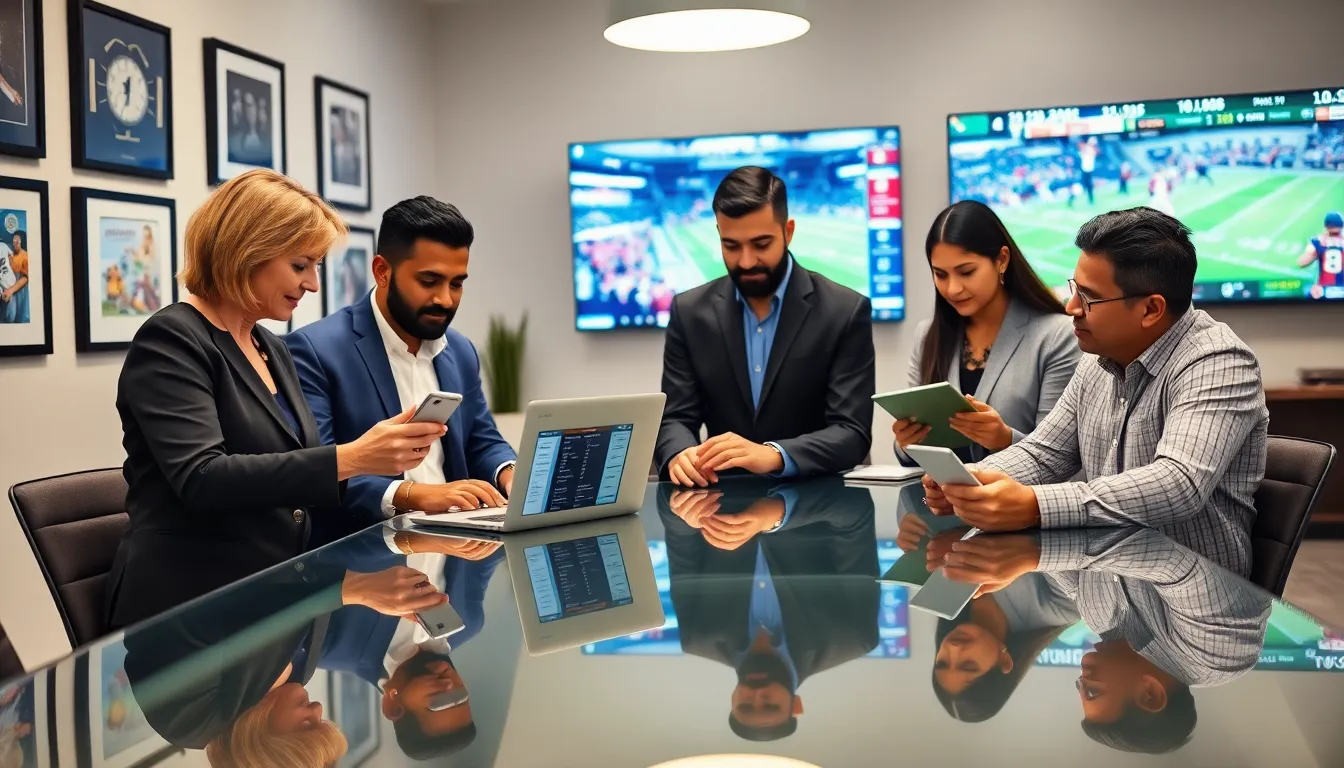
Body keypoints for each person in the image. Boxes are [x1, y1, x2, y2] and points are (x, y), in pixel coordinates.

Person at [107, 169, 447, 630]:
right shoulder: (172, 339)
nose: (312, 285)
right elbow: (203, 478)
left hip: (275, 597)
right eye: (300, 265)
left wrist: (387, 476)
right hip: (190, 613)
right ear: (248, 252)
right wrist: (352, 457)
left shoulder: (271, 347)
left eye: (316, 267)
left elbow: (292, 475)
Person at [925, 208, 1269, 565]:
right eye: (1074, 289)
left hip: (1192, 600)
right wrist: (974, 481)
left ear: (1151, 309)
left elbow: (1177, 484)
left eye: (1088, 298)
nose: (1071, 307)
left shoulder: (1219, 361)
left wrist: (1034, 506)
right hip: (1105, 584)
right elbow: (1045, 453)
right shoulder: (1096, 359)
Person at [287, 196, 516, 541]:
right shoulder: (314, 351)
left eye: (457, 283)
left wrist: (511, 474)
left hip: (458, 557)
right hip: (364, 569)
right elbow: (316, 470)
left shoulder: (462, 350)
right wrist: (416, 495)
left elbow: (482, 442)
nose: (445, 299)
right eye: (429, 281)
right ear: (382, 271)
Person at [656, 166, 876, 486]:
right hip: (720, 510)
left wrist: (773, 455)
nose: (746, 261)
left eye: (761, 244)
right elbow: (675, 418)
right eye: (731, 246)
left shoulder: (845, 310)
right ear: (718, 233)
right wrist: (680, 453)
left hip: (816, 512)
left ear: (788, 231)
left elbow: (851, 432)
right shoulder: (689, 312)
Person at [659, 477, 879, 741]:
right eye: (770, 705)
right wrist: (779, 513)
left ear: (732, 699)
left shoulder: (698, 637)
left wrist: (680, 509)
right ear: (795, 705)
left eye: (746, 705)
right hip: (809, 472)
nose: (757, 695)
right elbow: (855, 511)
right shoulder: (851, 638)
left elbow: (680, 540)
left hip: (717, 476)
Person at [893, 201, 1079, 466]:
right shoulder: (928, 336)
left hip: (1015, 504)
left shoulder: (1056, 337)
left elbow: (1062, 457)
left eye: (966, 272)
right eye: (940, 274)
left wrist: (1005, 439)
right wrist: (906, 443)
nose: (953, 288)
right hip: (937, 502)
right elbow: (911, 456)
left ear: (1001, 260)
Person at [1297, 211, 1343, 299]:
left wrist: (1317, 249)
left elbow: (1301, 263)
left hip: (1324, 292)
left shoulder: (1318, 242)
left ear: (1326, 227)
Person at [0, 230, 25, 323]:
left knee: (11, 318)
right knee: (5, 319)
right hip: (3, 289)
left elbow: (12, 257)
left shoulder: (3, 246)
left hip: (12, 286)